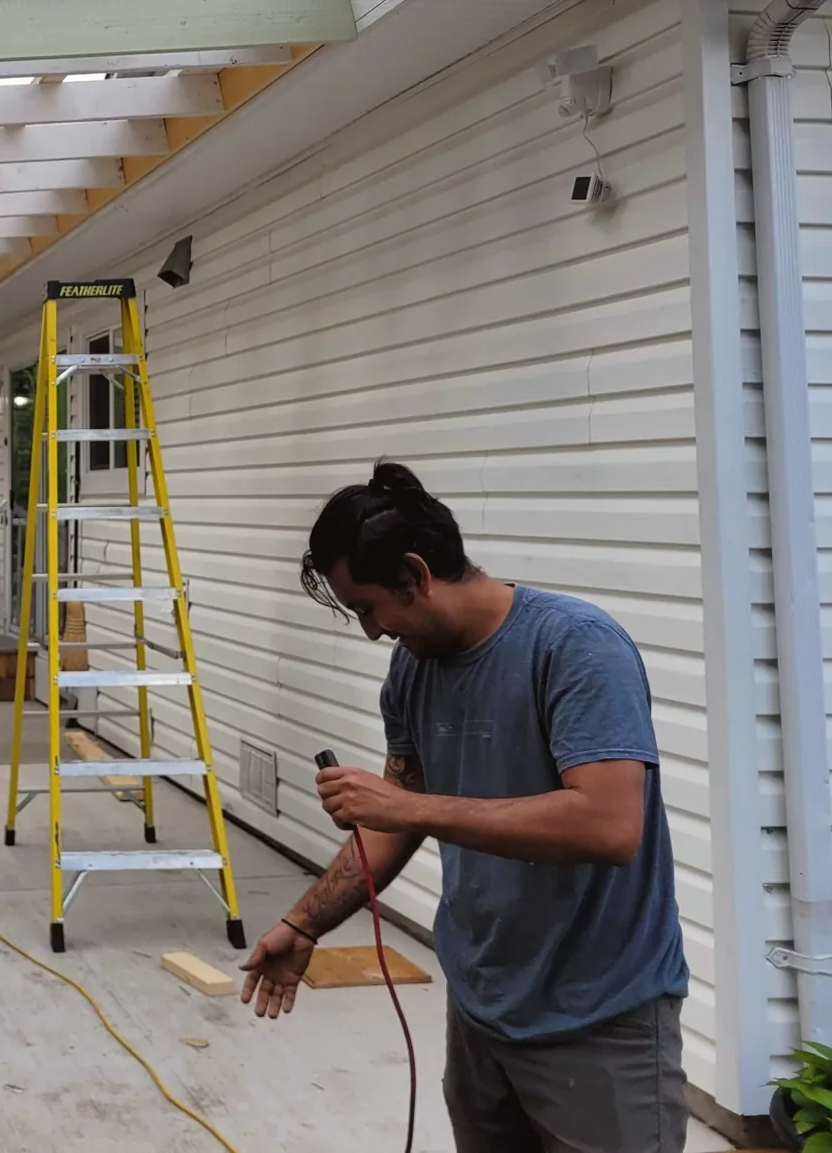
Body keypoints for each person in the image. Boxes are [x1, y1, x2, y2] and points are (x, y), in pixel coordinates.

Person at [240, 459, 689, 1153]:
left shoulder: (574, 647)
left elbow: (607, 824)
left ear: (415, 576)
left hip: (599, 1019)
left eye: (367, 607)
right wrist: (305, 924)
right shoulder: (413, 669)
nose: (371, 631)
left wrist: (408, 808)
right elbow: (397, 821)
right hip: (483, 1009)